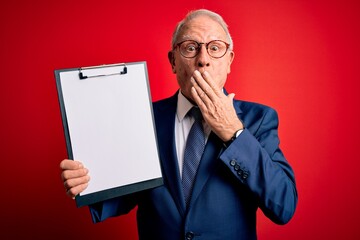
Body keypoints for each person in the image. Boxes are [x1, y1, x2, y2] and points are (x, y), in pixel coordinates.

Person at [60, 9, 297, 240]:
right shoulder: (143, 118)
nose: (203, 60)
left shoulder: (259, 120)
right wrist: (86, 182)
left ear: (229, 62)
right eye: (191, 48)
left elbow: (283, 205)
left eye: (215, 48)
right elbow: (118, 196)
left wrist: (234, 133)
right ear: (173, 61)